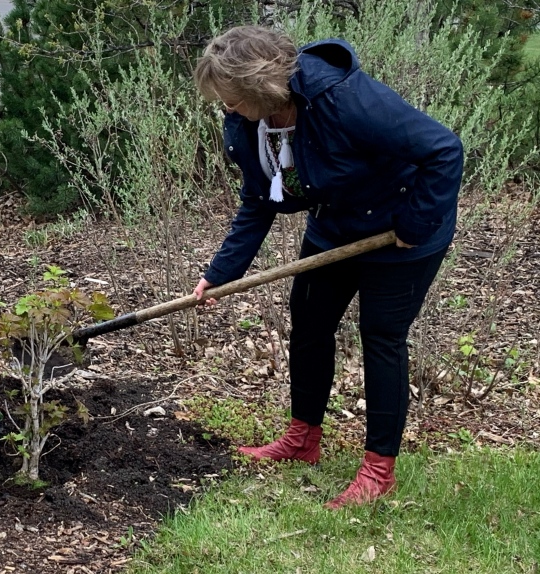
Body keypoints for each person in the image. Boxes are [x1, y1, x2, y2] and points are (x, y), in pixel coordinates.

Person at [192, 26, 463, 508]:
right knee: (310, 323)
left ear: (259, 88)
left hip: (400, 232)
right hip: (335, 227)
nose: (225, 108)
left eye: (230, 98)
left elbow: (444, 150)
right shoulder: (247, 123)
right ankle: (303, 439)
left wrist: (415, 223)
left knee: (381, 336)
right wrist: (220, 273)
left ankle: (379, 470)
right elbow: (259, 200)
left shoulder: (345, 99)